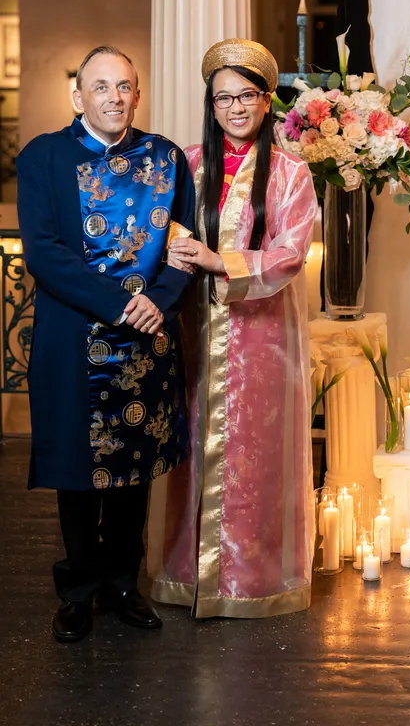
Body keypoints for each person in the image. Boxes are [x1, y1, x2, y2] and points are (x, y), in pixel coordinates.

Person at [16, 46, 196, 643]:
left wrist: (160, 298)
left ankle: (122, 583)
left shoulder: (167, 159)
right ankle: (78, 590)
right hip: (75, 339)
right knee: (77, 469)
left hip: (145, 338)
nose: (114, 97)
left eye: (124, 86)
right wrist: (120, 302)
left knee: (134, 467)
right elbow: (43, 253)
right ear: (78, 97)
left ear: (137, 95)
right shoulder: (44, 157)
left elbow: (188, 247)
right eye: (100, 86)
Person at [151, 38, 316, 619]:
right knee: (192, 448)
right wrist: (179, 250)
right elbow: (162, 230)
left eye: (246, 95)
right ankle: (182, 575)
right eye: (223, 98)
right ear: (211, 104)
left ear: (268, 101)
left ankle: (249, 581)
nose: (235, 108)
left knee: (254, 454)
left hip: (262, 337)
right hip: (196, 331)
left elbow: (292, 251)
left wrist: (222, 260)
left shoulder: (292, 173)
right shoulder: (189, 165)